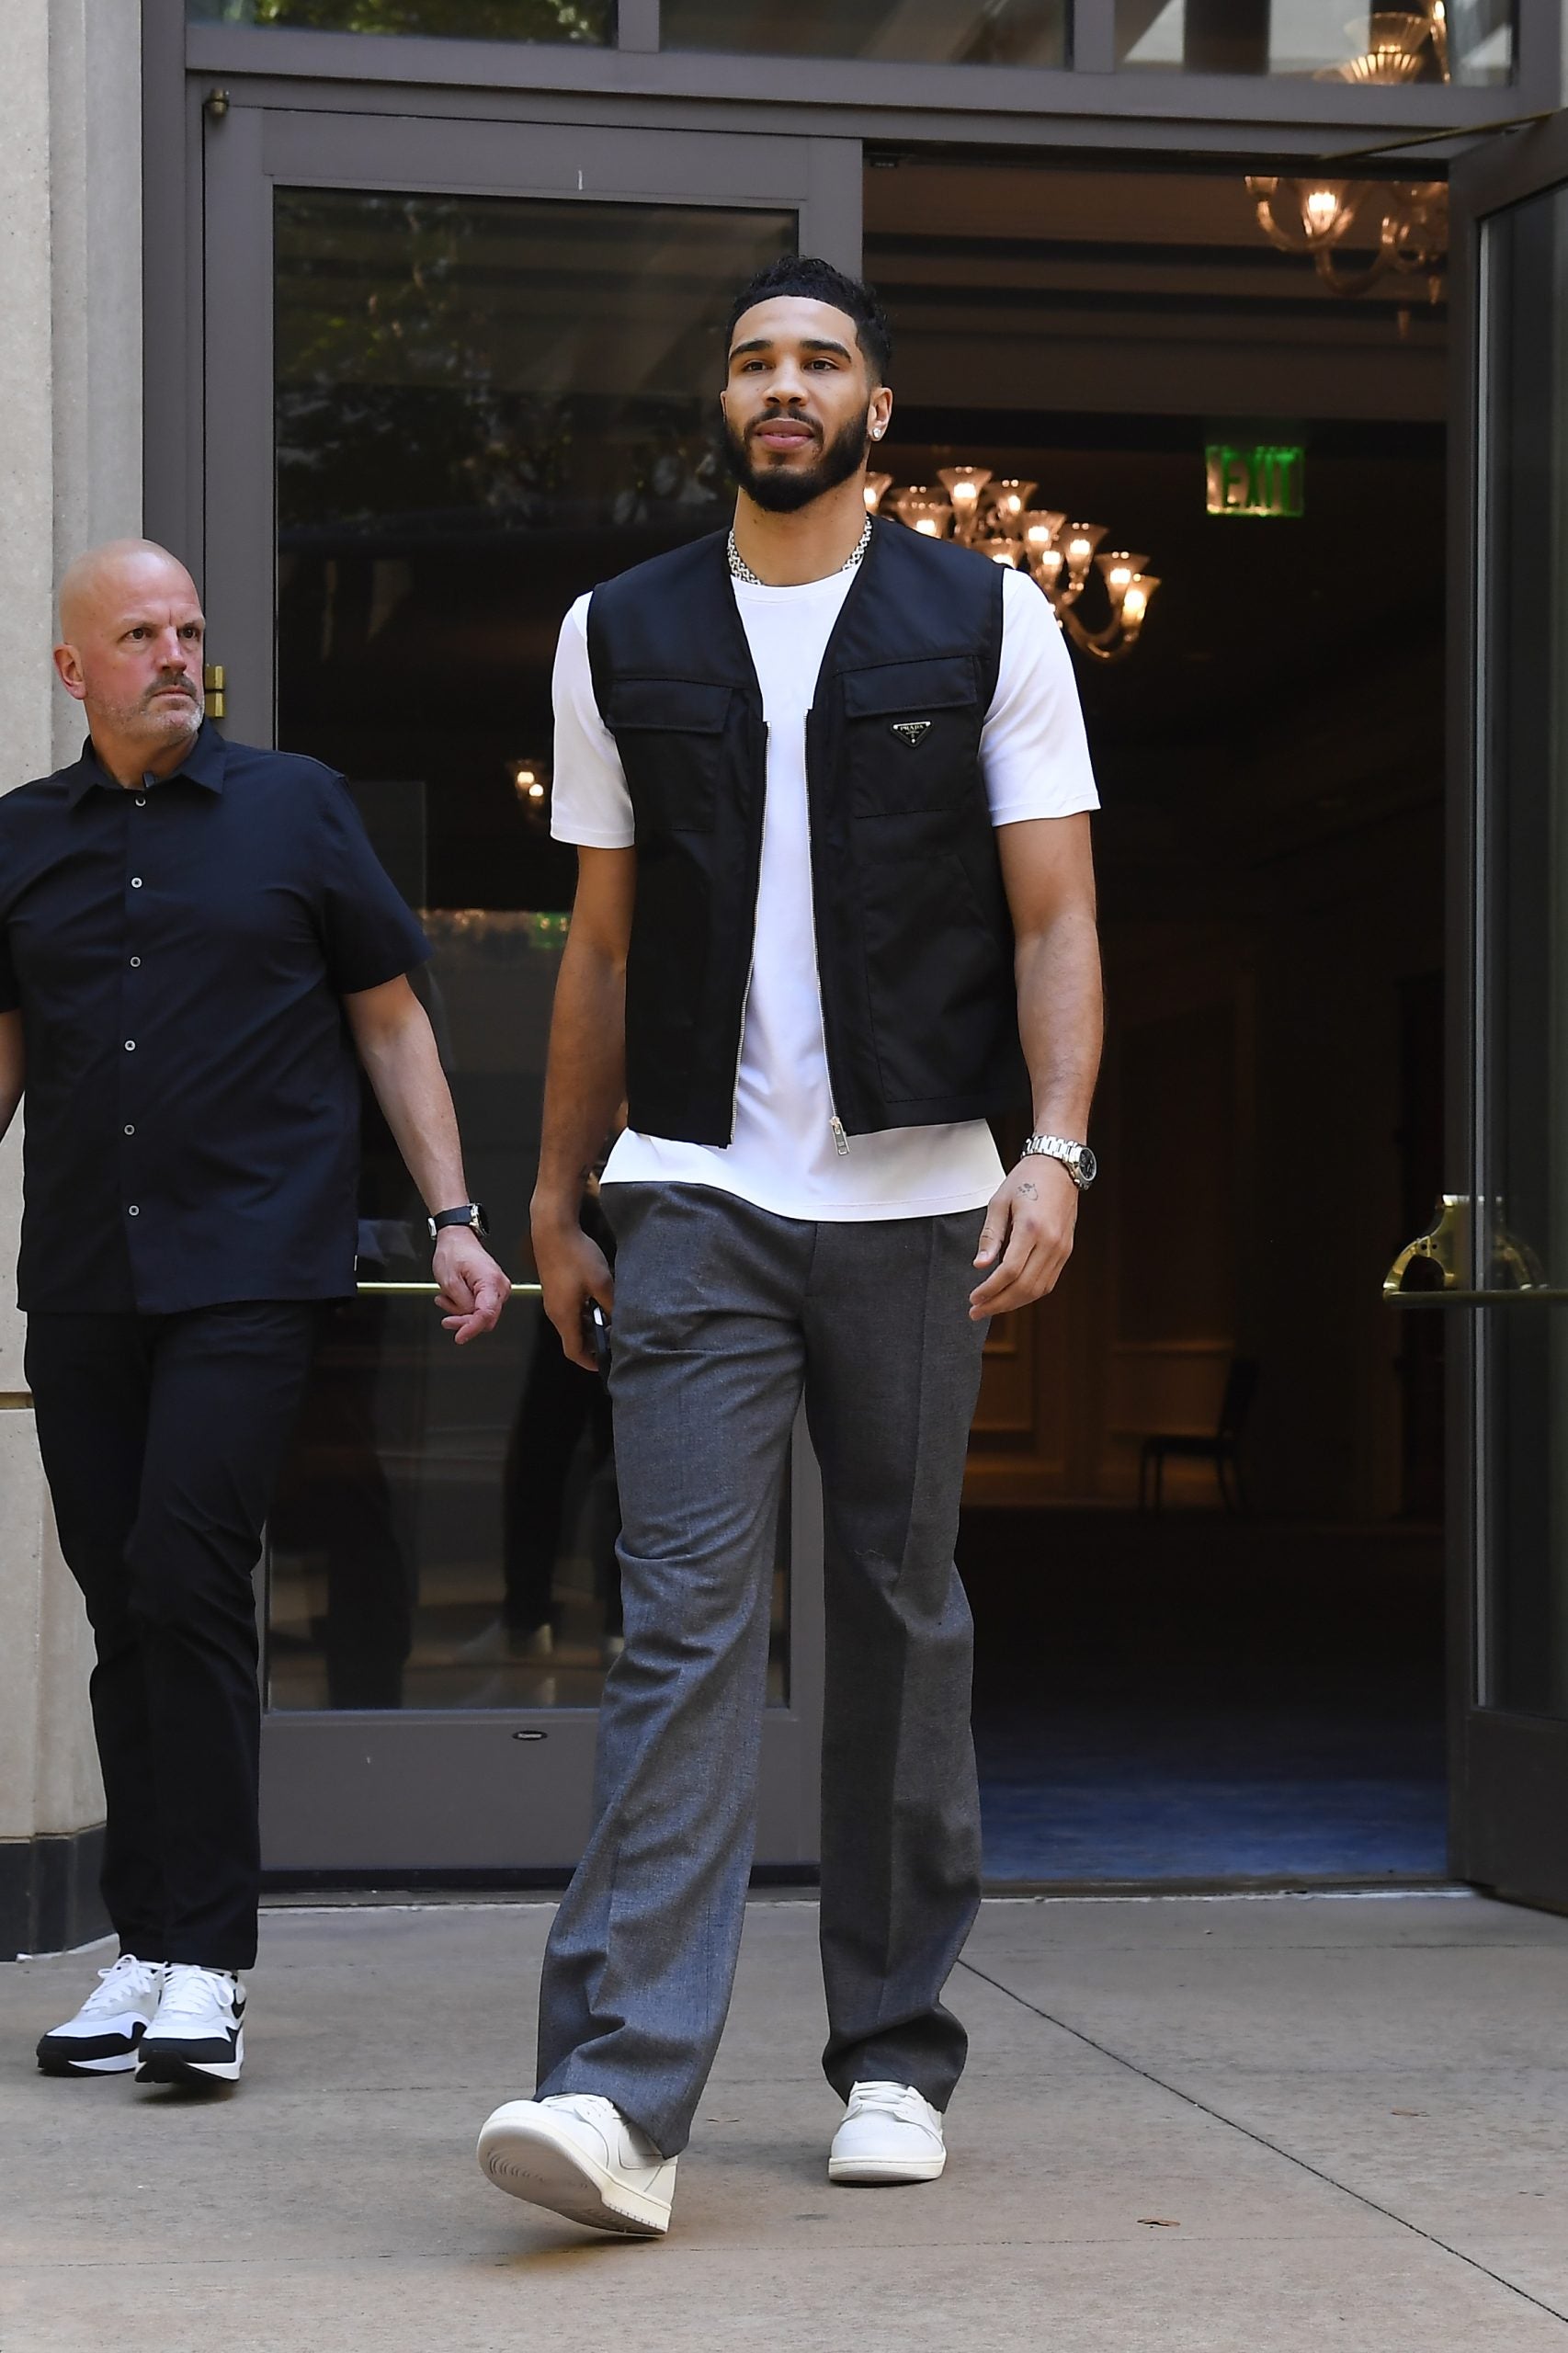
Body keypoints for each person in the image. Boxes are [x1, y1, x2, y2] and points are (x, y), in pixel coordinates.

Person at [475, 256, 1101, 2236]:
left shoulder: (986, 615)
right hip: (696, 1195)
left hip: (917, 1196)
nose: (783, 384)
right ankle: (616, 2096)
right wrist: (559, 1194)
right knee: (680, 1628)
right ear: (723, 404)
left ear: (875, 409)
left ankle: (894, 2050)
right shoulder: (619, 631)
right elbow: (598, 940)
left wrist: (1061, 1147)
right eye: (753, 359)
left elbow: (1054, 916)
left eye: (819, 359)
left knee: (903, 1625)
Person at [10, 539, 510, 2088]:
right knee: (119, 1608)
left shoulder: (295, 807)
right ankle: (146, 1950)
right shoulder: (19, 841)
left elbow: (389, 1018)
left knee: (185, 1573)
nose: (172, 653)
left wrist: (452, 1219)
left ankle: (209, 1964)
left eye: (188, 629)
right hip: (86, 1279)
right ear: (72, 670)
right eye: (139, 634)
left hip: (247, 1272)